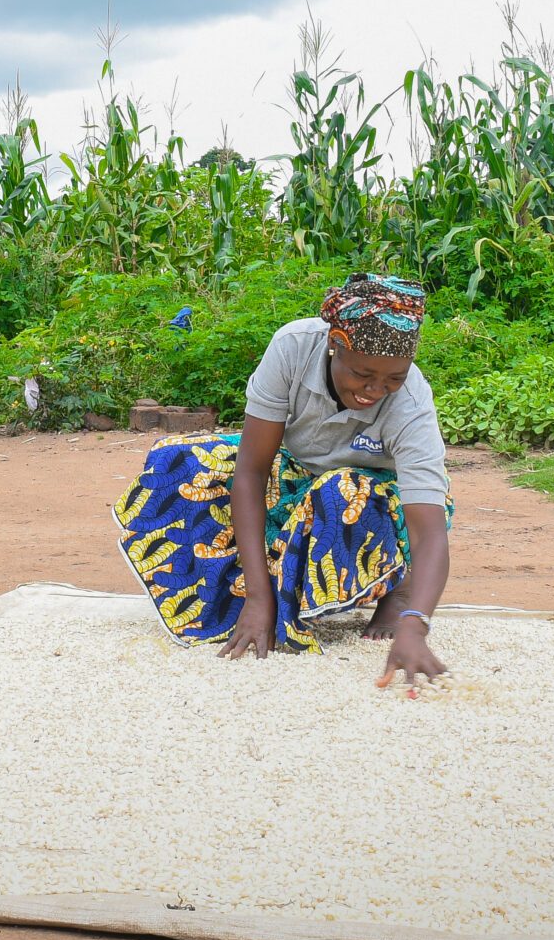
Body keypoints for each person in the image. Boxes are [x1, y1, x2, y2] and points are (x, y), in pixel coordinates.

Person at [114, 273, 449, 686]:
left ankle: (395, 586)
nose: (375, 389)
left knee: (340, 490)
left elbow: (429, 531)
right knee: (182, 459)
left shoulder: (411, 404)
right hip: (296, 474)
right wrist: (257, 598)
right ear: (334, 344)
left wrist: (416, 625)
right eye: (363, 373)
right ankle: (243, 595)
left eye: (393, 379)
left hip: (372, 505)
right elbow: (251, 473)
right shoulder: (293, 348)